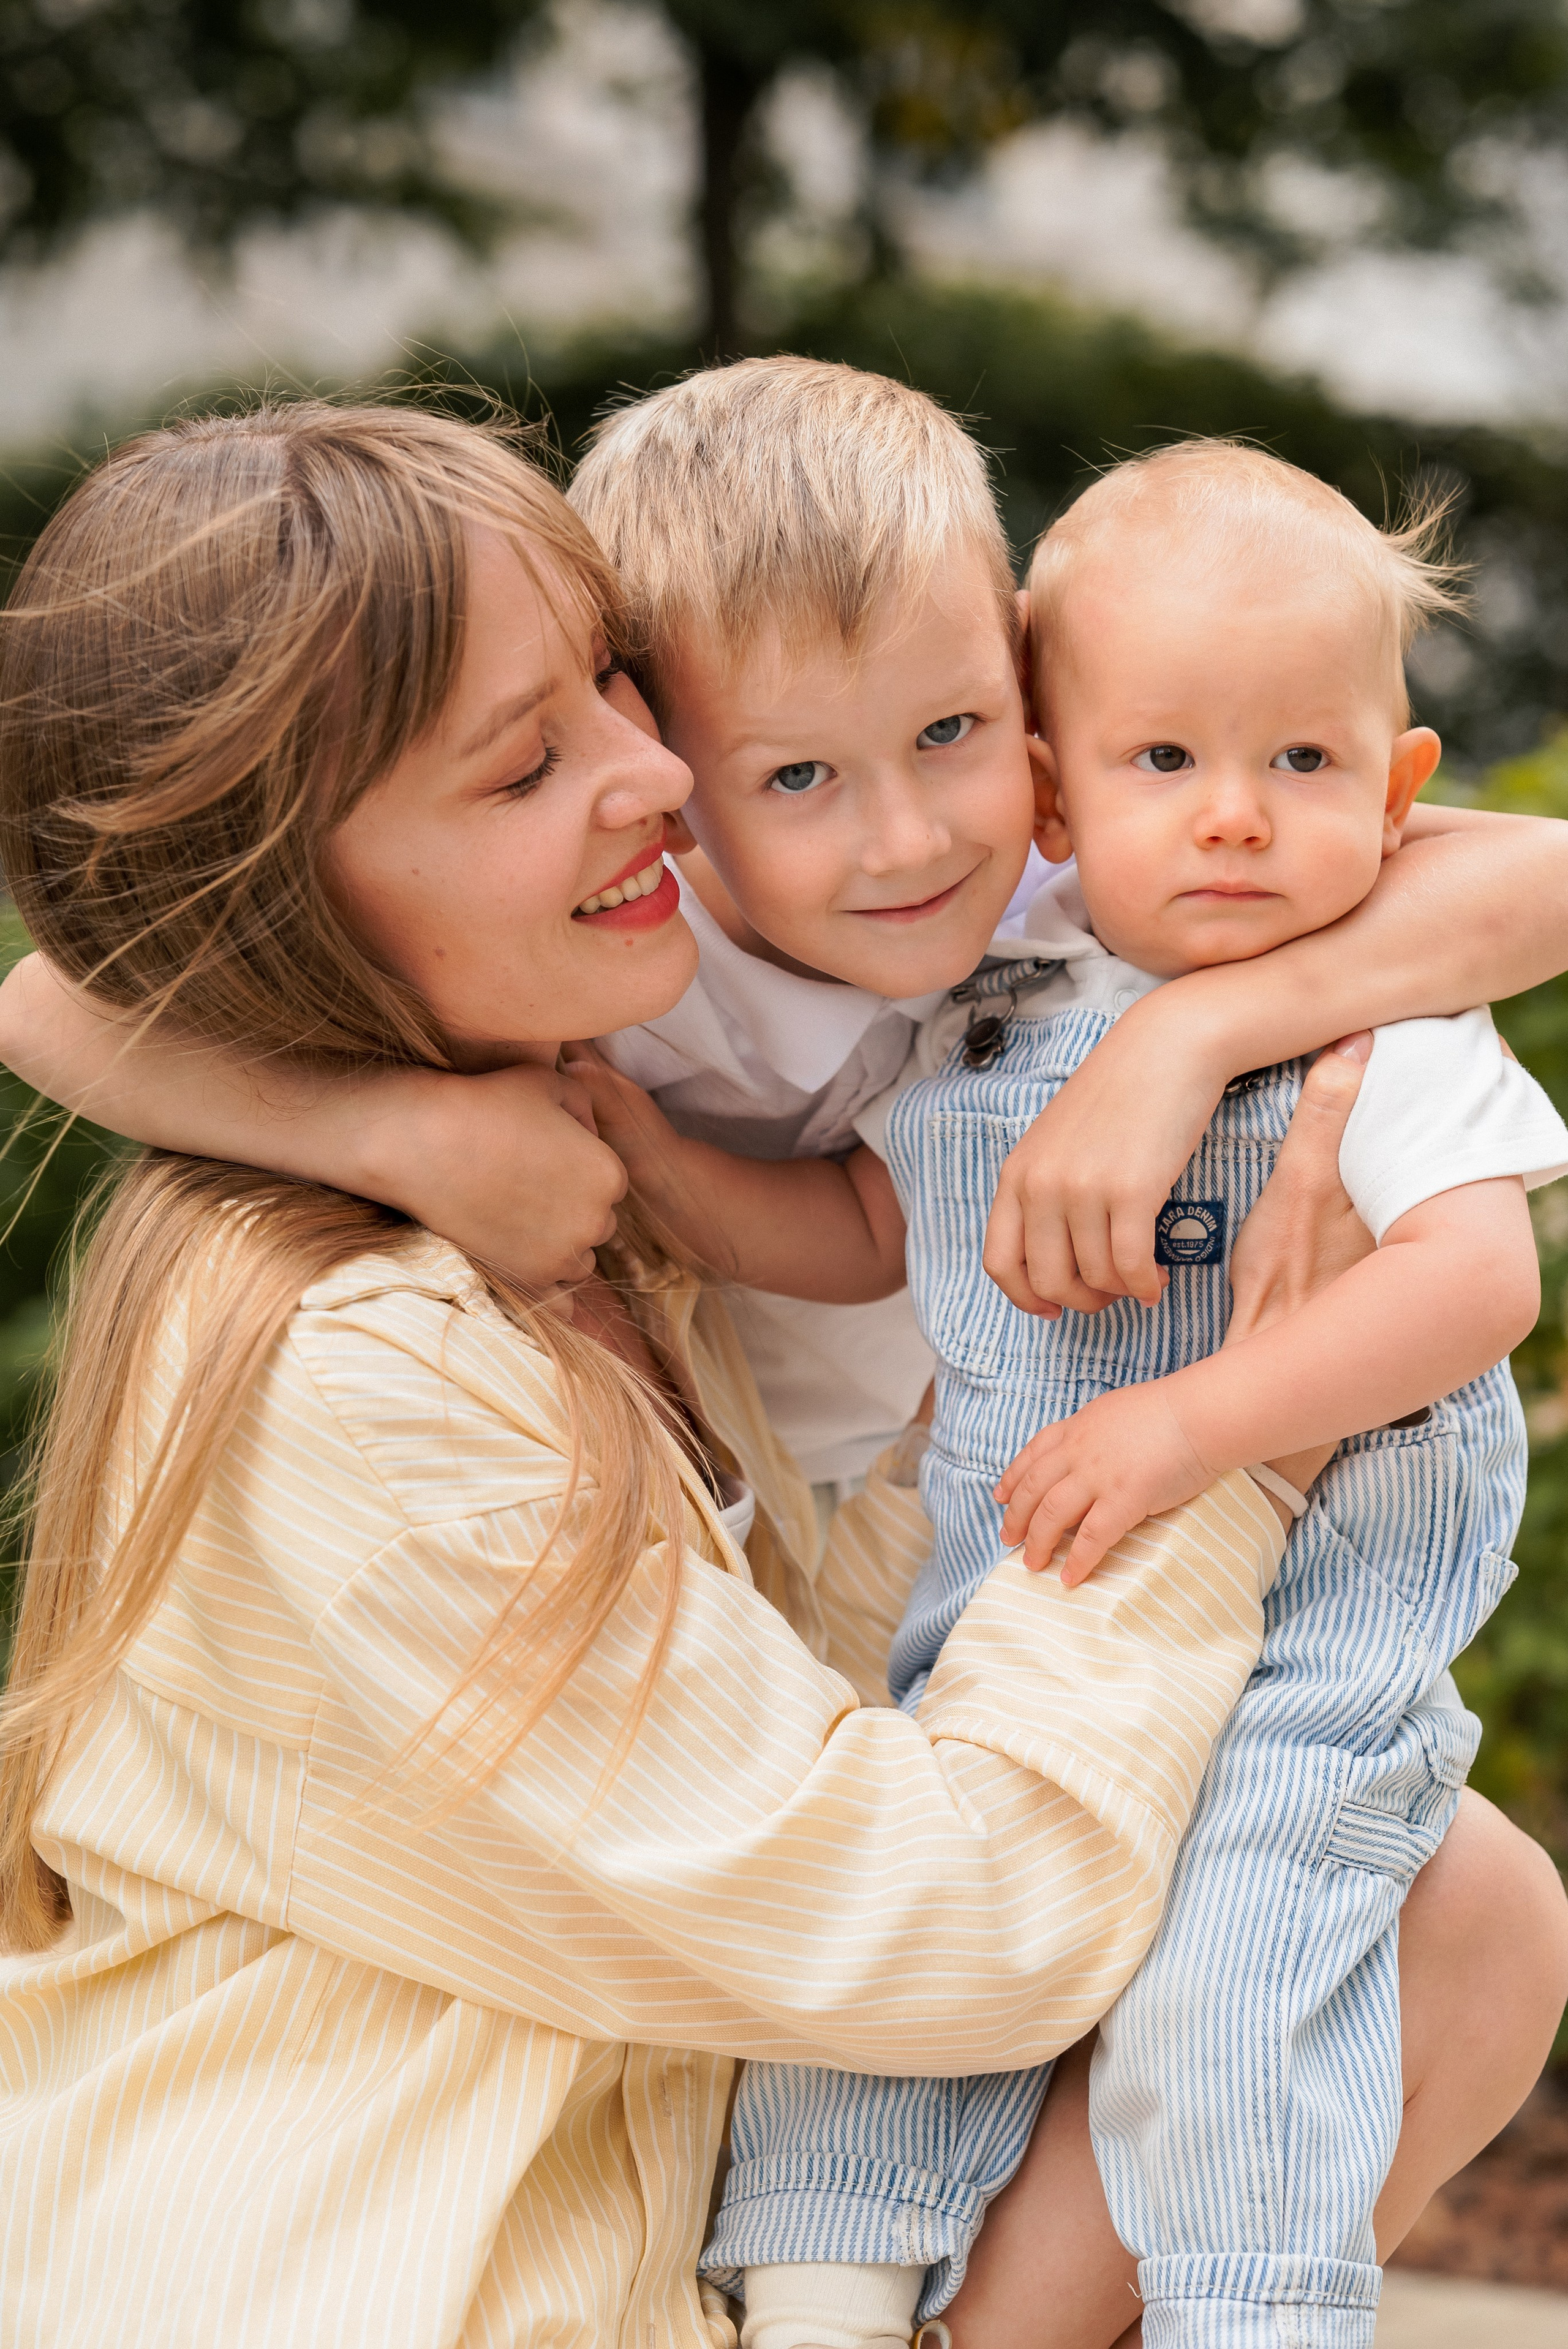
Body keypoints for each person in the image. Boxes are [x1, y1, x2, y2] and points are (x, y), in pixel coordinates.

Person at [0, 391, 1564, 2347]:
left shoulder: (643, 1120)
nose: (651, 773)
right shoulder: (374, 1361)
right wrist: (1249, 1430)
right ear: (298, 897)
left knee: (1462, 1901)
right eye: (526, 764)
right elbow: (947, 1928)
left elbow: (1492, 863)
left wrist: (1198, 1037)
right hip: (420, 2272)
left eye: (612, 691)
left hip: (680, 2096)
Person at [11, 361, 1568, 1501]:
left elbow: (1534, 880)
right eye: (798, 775)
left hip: (1024, 1488)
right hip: (766, 1535)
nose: (906, 838)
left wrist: (1186, 1034)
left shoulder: (1066, 873)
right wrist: (398, 1131)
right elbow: (48, 1006)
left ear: (1034, 713)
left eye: (951, 729)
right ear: (675, 781)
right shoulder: (623, 952)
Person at [654, 443, 1568, 2349]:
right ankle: (824, 2284)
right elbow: (867, 1225)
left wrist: (1192, 1425)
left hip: (1299, 1660)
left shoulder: (1383, 1004)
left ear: (1401, 792)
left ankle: (1251, 2311)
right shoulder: (988, 983)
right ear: (1061, 797)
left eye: (1303, 765)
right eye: (1169, 763)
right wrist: (632, 1171)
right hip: (1012, 1623)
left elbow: (1477, 1281)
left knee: (1235, 1980)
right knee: (909, 1936)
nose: (1237, 819)